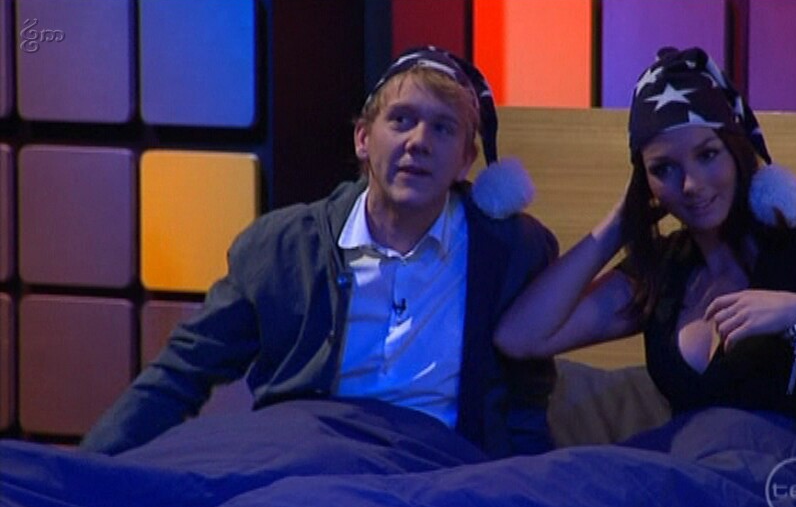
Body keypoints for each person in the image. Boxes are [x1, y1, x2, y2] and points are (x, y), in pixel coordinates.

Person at [81, 45, 559, 459]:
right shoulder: (281, 248)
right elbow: (182, 373)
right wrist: (89, 470)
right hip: (307, 466)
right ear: (363, 139)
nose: (419, 142)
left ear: (466, 161)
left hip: (435, 478)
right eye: (401, 120)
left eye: (443, 128)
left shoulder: (513, 252)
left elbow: (526, 406)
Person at [494, 46, 796, 465]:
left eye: (707, 155)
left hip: (791, 484)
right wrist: (621, 222)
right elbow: (520, 337)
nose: (690, 184)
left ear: (737, 152)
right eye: (663, 169)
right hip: (690, 485)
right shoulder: (661, 271)